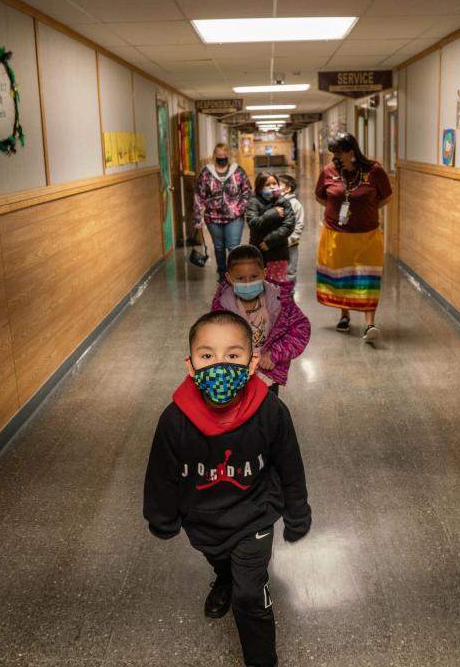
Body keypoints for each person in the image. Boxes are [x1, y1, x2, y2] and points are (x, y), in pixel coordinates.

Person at [143, 310, 312, 667]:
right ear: (190, 365)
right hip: (202, 520)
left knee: (249, 594)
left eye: (232, 355)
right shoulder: (174, 420)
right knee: (221, 561)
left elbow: (289, 465)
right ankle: (224, 578)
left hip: (256, 514)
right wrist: (161, 515)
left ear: (251, 363)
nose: (220, 365)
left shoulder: (270, 411)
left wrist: (297, 512)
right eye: (208, 356)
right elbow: (162, 472)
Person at [314, 132, 393, 344]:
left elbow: (386, 197)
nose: (335, 157)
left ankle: (370, 324)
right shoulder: (328, 172)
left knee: (367, 278)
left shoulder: (373, 171)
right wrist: (337, 212)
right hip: (337, 235)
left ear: (352, 151)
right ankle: (344, 316)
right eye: (333, 153)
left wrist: (365, 210)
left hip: (367, 235)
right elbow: (321, 196)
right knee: (342, 277)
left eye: (339, 153)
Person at [212, 245, 311, 396]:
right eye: (240, 278)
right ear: (229, 278)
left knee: (267, 413)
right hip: (234, 375)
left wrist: (275, 353)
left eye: (253, 277)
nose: (247, 283)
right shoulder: (222, 307)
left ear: (264, 274)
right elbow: (212, 340)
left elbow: (301, 328)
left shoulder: (280, 301)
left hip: (268, 374)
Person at [194, 143, 253, 281]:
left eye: (224, 156)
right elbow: (198, 195)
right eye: (219, 156)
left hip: (234, 218)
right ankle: (222, 273)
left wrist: (238, 209)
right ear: (215, 155)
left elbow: (247, 192)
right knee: (219, 247)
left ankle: (233, 273)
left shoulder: (238, 171)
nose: (221, 158)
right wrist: (197, 217)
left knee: (233, 247)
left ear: (228, 156)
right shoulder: (206, 172)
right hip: (213, 217)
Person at [245, 173, 295, 287]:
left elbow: (289, 225)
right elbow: (253, 223)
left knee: (277, 286)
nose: (272, 187)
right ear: (259, 187)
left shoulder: (283, 202)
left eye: (274, 183)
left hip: (278, 251)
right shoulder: (253, 202)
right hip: (258, 252)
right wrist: (273, 213)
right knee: (259, 285)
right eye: (267, 184)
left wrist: (269, 241)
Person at [277, 174, 305, 283]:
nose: (274, 187)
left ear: (288, 189)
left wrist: (291, 240)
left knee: (290, 270)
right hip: (275, 245)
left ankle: (289, 293)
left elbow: (299, 225)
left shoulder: (295, 204)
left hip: (290, 245)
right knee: (276, 268)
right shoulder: (273, 203)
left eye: (278, 184)